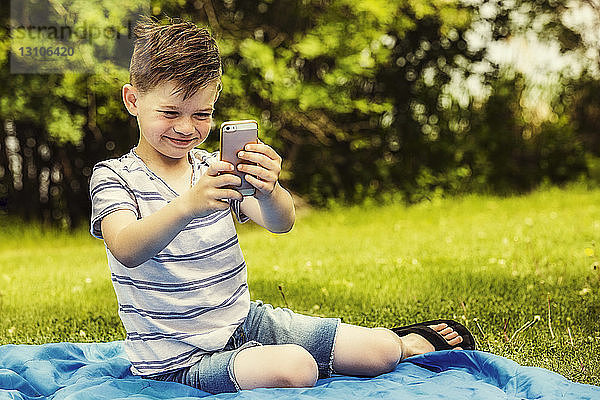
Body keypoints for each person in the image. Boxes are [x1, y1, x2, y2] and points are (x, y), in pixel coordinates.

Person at [89, 17, 475, 395]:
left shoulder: (212, 167)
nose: (187, 128)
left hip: (245, 322)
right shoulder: (114, 177)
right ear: (133, 100)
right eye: (170, 113)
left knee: (381, 351)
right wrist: (187, 205)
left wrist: (269, 190)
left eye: (202, 114)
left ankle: (405, 344)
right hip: (177, 361)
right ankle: (264, 362)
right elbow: (125, 247)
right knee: (296, 368)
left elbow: (281, 222)